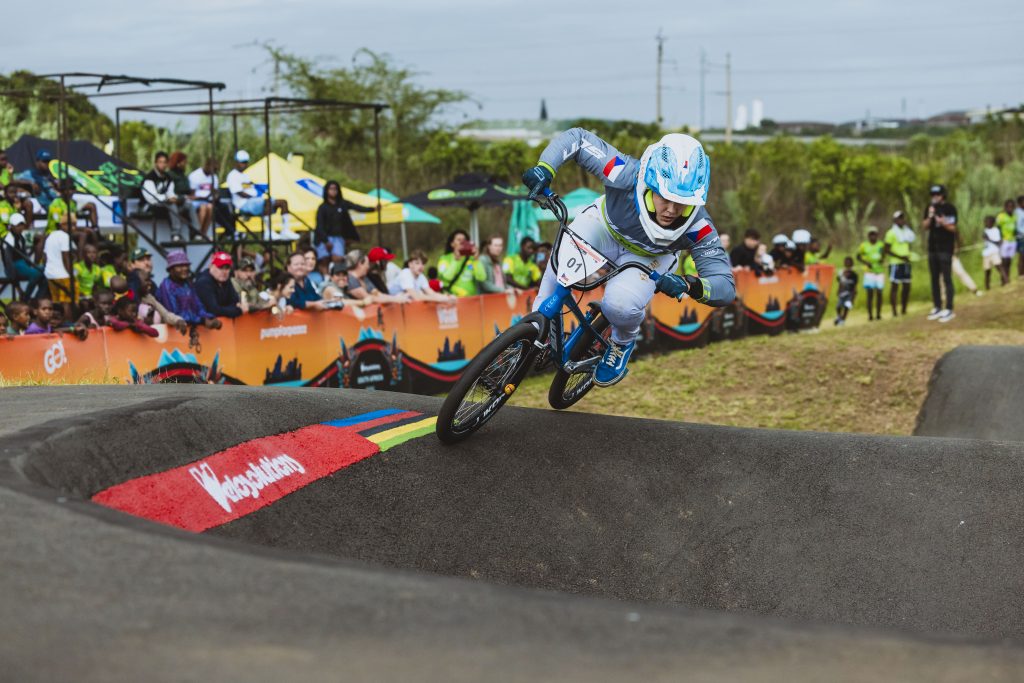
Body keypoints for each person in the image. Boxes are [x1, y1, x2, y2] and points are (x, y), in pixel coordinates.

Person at [522, 130, 735, 386]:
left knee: (620, 305)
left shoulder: (699, 226)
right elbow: (577, 140)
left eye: (684, 203)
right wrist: (545, 168)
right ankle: (536, 329)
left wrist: (690, 285)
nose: (672, 209)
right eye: (665, 197)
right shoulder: (624, 173)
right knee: (559, 268)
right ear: (649, 183)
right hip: (603, 228)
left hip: (651, 258)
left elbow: (725, 286)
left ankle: (621, 344)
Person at [226, 150, 297, 240]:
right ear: (236, 162)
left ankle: (286, 230)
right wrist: (255, 197)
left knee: (283, 202)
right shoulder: (232, 176)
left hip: (254, 201)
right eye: (242, 162)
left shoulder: (245, 176)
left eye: (246, 162)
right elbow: (239, 192)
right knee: (266, 202)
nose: (245, 165)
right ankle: (268, 232)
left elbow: (252, 189)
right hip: (243, 204)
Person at [155, 251, 222, 329]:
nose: (184, 269)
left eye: (186, 265)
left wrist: (209, 317)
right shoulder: (166, 286)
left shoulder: (188, 284)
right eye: (179, 266)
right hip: (173, 335)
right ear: (170, 269)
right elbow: (174, 315)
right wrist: (202, 320)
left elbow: (199, 306)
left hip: (190, 332)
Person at [314, 180, 373, 263]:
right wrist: (325, 240)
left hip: (338, 237)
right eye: (331, 189)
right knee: (324, 260)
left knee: (338, 258)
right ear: (326, 190)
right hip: (323, 238)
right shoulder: (322, 208)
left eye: (335, 189)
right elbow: (319, 225)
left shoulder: (342, 204)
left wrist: (372, 209)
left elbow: (357, 207)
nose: (333, 191)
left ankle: (337, 274)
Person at [922, 184, 957, 322]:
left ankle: (949, 308)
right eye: (932, 195)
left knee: (947, 278)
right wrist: (931, 217)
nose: (934, 197)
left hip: (945, 248)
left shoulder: (949, 208)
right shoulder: (929, 208)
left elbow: (953, 228)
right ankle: (937, 306)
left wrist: (942, 222)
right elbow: (924, 226)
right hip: (932, 248)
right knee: (934, 278)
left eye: (937, 194)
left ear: (943, 195)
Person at [141, 151, 189, 242]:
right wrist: (168, 199)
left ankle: (196, 234)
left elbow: (170, 192)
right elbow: (151, 198)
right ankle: (176, 234)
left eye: (164, 162)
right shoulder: (149, 178)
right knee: (171, 205)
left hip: (165, 204)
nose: (162, 165)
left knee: (188, 205)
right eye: (160, 162)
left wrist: (175, 198)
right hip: (151, 206)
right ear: (155, 163)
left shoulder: (168, 177)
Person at [2, 213, 46, 300]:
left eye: (22, 225)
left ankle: (38, 299)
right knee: (36, 274)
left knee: (44, 272)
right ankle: (26, 298)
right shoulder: (8, 239)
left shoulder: (21, 237)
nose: (20, 228)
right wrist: (13, 276)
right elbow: (8, 260)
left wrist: (31, 266)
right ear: (11, 226)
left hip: (23, 264)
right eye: (18, 225)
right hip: (14, 266)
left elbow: (25, 255)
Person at [47, 179, 96, 254]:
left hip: (70, 230)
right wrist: (76, 229)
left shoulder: (72, 204)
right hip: (56, 231)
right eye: (67, 190)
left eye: (72, 189)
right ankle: (80, 260)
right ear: (62, 191)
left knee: (92, 231)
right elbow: (59, 225)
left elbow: (74, 219)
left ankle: (96, 258)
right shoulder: (56, 204)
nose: (70, 192)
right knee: (82, 235)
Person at [389, 250, 457, 303]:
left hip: (399, 305)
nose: (421, 266)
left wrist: (447, 297)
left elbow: (430, 292)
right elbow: (416, 297)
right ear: (410, 264)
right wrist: (438, 299)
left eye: (423, 264)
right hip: (389, 302)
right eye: (417, 263)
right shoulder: (405, 274)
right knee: (408, 296)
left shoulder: (421, 276)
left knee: (417, 294)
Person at [194, 251, 247, 319]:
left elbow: (235, 301)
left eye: (227, 268)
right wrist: (238, 310)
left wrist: (227, 309)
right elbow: (213, 310)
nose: (224, 272)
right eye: (220, 267)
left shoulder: (225, 280)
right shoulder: (203, 282)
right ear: (211, 266)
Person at [883, 210, 915, 317]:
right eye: (899, 218)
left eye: (902, 218)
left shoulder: (907, 233)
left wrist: (908, 256)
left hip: (906, 262)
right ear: (895, 220)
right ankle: (894, 311)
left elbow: (908, 246)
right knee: (895, 287)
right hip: (895, 263)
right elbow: (886, 249)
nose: (901, 220)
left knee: (907, 286)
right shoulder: (891, 233)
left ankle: (904, 309)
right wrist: (900, 257)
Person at [42, 211, 74, 319]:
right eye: (71, 225)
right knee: (67, 302)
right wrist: (71, 274)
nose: (73, 228)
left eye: (74, 225)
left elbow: (44, 256)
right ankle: (68, 323)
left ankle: (56, 323)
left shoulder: (51, 236)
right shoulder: (65, 236)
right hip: (63, 274)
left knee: (56, 302)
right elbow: (66, 257)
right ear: (62, 225)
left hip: (50, 274)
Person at [437, 229, 479, 297]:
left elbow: (481, 278)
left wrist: (477, 260)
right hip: (452, 299)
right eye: (459, 240)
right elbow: (446, 278)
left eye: (464, 240)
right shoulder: (444, 259)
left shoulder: (471, 259)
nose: (462, 242)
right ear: (452, 244)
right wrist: (456, 260)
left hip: (471, 300)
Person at [856, 226, 885, 321]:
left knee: (879, 293)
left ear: (877, 235)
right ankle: (870, 315)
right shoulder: (864, 245)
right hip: (869, 272)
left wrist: (882, 259)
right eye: (871, 235)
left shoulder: (881, 245)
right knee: (870, 294)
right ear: (868, 236)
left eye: (874, 234)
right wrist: (866, 263)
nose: (873, 237)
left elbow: (884, 254)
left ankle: (878, 314)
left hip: (879, 271)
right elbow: (858, 256)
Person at [168, 151, 200, 236]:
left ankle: (196, 232)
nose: (185, 164)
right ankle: (176, 233)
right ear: (178, 163)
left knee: (190, 205)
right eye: (184, 162)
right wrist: (185, 197)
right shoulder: (170, 176)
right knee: (172, 206)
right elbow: (171, 193)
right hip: (173, 203)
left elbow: (186, 189)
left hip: (183, 202)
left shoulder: (183, 176)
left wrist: (191, 195)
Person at [187, 157, 219, 237]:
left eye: (216, 170)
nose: (214, 171)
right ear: (207, 166)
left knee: (210, 207)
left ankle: (203, 233)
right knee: (203, 208)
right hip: (196, 201)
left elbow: (215, 191)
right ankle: (197, 232)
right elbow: (192, 195)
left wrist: (215, 196)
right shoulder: (195, 175)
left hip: (208, 201)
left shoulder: (214, 177)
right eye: (213, 169)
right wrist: (199, 198)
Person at [981, 215, 1005, 290]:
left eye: (988, 222)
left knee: (1000, 267)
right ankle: (987, 287)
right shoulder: (985, 231)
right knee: (987, 270)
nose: (986, 223)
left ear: (992, 223)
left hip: (994, 252)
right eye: (985, 222)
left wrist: (988, 239)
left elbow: (998, 242)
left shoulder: (996, 230)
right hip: (986, 253)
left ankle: (1006, 281)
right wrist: (986, 238)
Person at [996, 199, 1017, 279]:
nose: (1010, 208)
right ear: (1005, 207)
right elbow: (998, 228)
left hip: (1012, 240)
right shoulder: (1001, 216)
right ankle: (1004, 279)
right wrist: (1000, 238)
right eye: (1008, 206)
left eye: (1012, 207)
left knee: (1009, 260)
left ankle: (1007, 277)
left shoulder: (1014, 216)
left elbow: (1014, 227)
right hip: (1004, 241)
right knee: (1004, 260)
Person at [834, 256, 858, 326]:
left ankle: (843, 319)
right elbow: (840, 283)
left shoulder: (854, 274)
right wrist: (838, 290)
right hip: (842, 293)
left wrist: (853, 296)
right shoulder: (841, 272)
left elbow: (855, 286)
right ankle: (839, 317)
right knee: (838, 306)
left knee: (846, 306)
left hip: (850, 293)